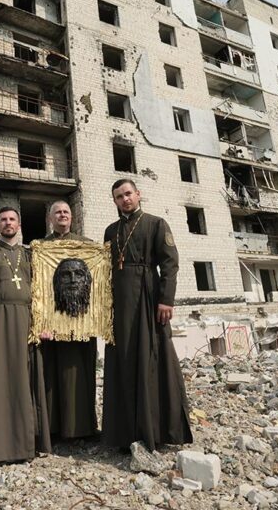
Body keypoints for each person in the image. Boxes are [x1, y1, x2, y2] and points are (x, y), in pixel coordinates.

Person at [102, 179, 193, 451]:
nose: (125, 199)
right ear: (115, 201)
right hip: (119, 302)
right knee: (124, 358)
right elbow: (104, 268)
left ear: (138, 194)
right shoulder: (110, 230)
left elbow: (170, 263)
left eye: (128, 193)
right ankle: (124, 432)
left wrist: (166, 299)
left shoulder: (156, 224)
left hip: (147, 296)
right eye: (119, 196)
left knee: (152, 356)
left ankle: (158, 429)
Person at [0, 207, 51, 464]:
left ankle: (28, 444)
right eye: (3, 220)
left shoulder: (29, 254)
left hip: (27, 321)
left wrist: (43, 324)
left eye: (12, 219)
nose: (8, 223)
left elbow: (41, 292)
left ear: (19, 223)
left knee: (26, 380)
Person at [40, 201, 99, 440]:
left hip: (83, 323)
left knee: (82, 373)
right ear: (50, 219)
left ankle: (84, 428)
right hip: (52, 324)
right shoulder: (41, 248)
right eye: (57, 212)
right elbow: (39, 288)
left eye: (66, 212)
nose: (62, 215)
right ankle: (54, 429)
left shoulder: (86, 246)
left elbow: (98, 281)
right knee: (52, 376)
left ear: (71, 217)